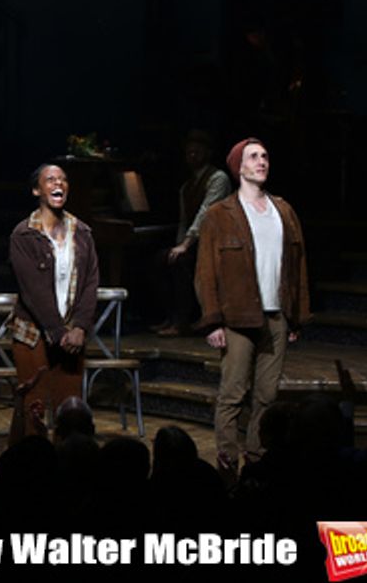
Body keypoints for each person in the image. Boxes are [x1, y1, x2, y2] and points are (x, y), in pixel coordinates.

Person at [195, 137, 309, 479]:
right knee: (232, 394)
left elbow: (298, 266)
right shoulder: (220, 215)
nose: (262, 161)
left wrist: (296, 315)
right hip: (236, 317)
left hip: (276, 315)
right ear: (238, 167)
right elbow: (205, 273)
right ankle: (228, 464)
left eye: (265, 156)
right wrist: (213, 321)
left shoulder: (284, 210)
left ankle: (258, 462)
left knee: (267, 395)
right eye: (254, 157)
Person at [9, 164, 99, 437]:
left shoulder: (82, 232)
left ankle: (69, 468)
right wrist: (59, 332)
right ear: (37, 189)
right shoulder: (23, 234)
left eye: (63, 179)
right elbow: (32, 291)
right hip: (33, 333)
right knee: (33, 408)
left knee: (70, 410)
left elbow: (91, 281)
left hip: (72, 334)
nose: (58, 183)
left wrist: (80, 327)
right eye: (50, 180)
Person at [153, 130, 232, 337]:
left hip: (215, 242)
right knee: (162, 260)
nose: (193, 156)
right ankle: (170, 317)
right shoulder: (186, 187)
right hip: (193, 242)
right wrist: (178, 246)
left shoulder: (218, 178)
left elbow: (205, 214)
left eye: (197, 152)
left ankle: (183, 321)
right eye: (189, 153)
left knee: (181, 263)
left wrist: (185, 245)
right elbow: (184, 221)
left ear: (207, 153)